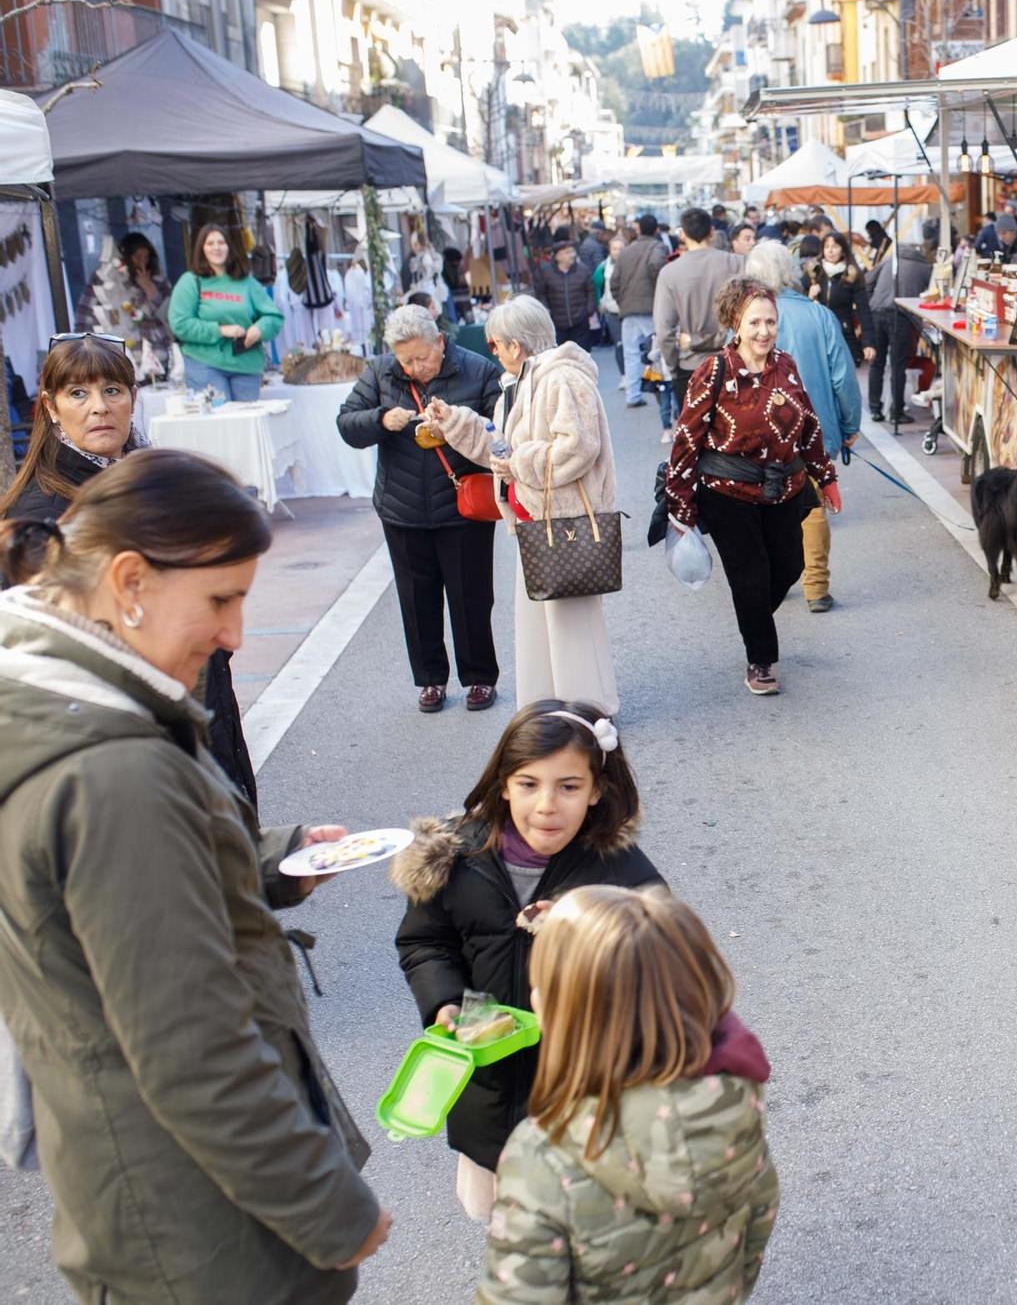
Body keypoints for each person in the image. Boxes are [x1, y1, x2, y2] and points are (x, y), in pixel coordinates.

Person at [0, 450, 390, 1302]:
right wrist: (332, 1210)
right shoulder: (113, 772)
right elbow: (194, 1051)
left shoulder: (66, 703)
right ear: (131, 578)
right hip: (204, 1230)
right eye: (221, 599)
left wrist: (267, 858)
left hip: (148, 1198)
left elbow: (116, 891)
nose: (235, 634)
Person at [393, 699, 663, 1222]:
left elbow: (656, 962)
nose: (546, 805)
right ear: (502, 784)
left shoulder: (620, 873)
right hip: (487, 1085)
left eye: (569, 786)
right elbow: (425, 943)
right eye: (528, 784)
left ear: (596, 791)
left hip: (581, 1088)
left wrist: (581, 923)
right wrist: (444, 1002)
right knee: (499, 1215)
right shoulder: (457, 857)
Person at [477, 887, 778, 1303]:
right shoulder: (733, 1098)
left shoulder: (543, 1153)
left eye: (540, 987)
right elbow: (759, 1218)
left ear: (563, 1014)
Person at [0, 332, 260, 804]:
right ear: (51, 407)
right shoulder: (45, 515)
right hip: (125, 736)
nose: (99, 407)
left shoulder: (146, 474)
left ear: (132, 398)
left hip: (196, 694)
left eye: (112, 391)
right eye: (78, 394)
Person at [423, 295, 621, 715]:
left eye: (494, 344)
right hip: (535, 521)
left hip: (560, 520)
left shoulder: (561, 378)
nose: (491, 352)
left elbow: (578, 446)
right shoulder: (521, 382)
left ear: (516, 344)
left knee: (570, 627)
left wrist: (519, 463)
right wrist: (454, 422)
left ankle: (585, 711)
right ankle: (555, 709)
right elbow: (498, 445)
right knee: (542, 626)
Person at [654, 279, 841, 696]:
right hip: (727, 494)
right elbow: (687, 440)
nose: (764, 331)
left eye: (770, 321)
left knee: (790, 565)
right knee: (751, 577)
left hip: (784, 490)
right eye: (754, 322)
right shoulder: (713, 371)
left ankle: (754, 617)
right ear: (735, 324)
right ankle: (761, 659)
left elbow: (808, 427)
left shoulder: (786, 366)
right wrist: (680, 506)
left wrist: (826, 477)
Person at [337, 304, 504, 714]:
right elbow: (346, 423)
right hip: (402, 506)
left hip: (462, 505)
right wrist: (381, 419)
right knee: (416, 599)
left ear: (440, 343)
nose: (415, 367)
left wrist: (457, 423)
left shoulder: (477, 370)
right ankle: (430, 680)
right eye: (405, 359)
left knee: (471, 596)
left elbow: (500, 429)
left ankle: (479, 678)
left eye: (422, 357)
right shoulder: (379, 373)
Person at [745, 242, 862, 615]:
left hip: (760, 433)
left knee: (765, 507)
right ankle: (816, 587)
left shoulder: (746, 320)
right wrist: (849, 424)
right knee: (813, 507)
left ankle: (772, 579)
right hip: (813, 428)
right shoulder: (818, 314)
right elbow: (842, 376)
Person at [652, 206, 745, 430]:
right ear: (712, 232)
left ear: (682, 234)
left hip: (690, 365)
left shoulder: (670, 272)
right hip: (734, 361)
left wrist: (673, 366)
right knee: (735, 432)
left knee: (696, 437)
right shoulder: (737, 263)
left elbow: (663, 331)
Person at [168, 222, 283, 401]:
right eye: (210, 243)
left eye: (221, 242)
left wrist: (260, 328)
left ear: (229, 247)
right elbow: (180, 324)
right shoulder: (191, 281)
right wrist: (220, 330)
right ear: (201, 249)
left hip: (246, 366)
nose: (216, 248)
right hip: (204, 365)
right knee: (217, 424)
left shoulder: (247, 282)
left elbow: (274, 317)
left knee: (246, 424)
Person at [864, 231, 934, 427]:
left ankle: (875, 409)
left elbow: (867, 281)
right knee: (898, 366)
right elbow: (933, 294)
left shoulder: (888, 262)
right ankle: (896, 412)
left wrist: (873, 301)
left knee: (877, 364)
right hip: (900, 316)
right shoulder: (924, 268)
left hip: (877, 313)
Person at [75, 232, 171, 370]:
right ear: (126, 257)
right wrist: (81, 349)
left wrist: (150, 289)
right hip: (119, 355)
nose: (143, 262)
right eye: (138, 257)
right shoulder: (107, 279)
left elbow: (169, 317)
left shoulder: (159, 281)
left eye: (146, 257)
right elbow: (85, 315)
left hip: (155, 354)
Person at [612, 214, 669, 410]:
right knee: (658, 351)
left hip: (628, 309)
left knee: (631, 353)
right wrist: (660, 294)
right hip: (651, 308)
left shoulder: (626, 251)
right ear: (656, 230)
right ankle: (663, 394)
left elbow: (614, 283)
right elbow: (656, 267)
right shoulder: (658, 247)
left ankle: (633, 394)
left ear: (638, 230)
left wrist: (622, 301)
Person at [805, 230, 868, 365]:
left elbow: (864, 310)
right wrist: (809, 296)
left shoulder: (851, 274)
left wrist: (869, 343)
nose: (830, 251)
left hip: (843, 332)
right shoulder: (814, 272)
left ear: (843, 249)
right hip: (816, 333)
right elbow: (798, 305)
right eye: (827, 246)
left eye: (835, 246)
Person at [531, 238, 597, 353]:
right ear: (557, 256)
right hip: (557, 322)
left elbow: (591, 291)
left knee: (581, 354)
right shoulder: (546, 272)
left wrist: (589, 310)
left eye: (572, 251)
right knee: (560, 355)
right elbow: (541, 293)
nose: (572, 255)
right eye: (567, 252)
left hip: (580, 321)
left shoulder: (583, 270)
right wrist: (546, 310)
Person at [593, 231, 626, 368]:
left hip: (628, 309)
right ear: (610, 250)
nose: (617, 252)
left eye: (620, 249)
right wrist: (599, 303)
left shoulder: (631, 264)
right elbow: (596, 284)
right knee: (619, 344)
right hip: (611, 310)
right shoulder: (603, 267)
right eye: (614, 249)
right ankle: (624, 374)